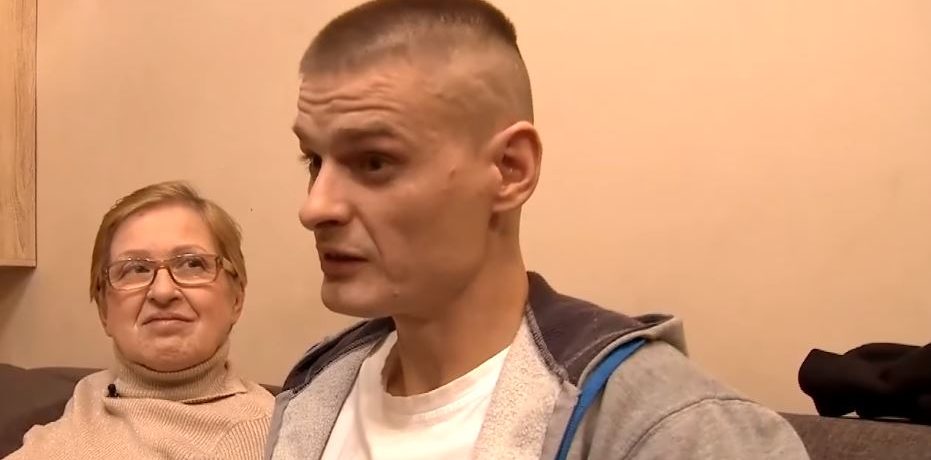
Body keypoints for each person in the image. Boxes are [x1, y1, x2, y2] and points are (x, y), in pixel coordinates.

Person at [266, 0, 810, 459]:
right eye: (314, 160)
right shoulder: (316, 393)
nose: (315, 207)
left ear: (510, 170)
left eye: (374, 162)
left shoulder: (671, 431)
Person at [7, 181, 274, 460]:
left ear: (236, 298)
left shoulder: (266, 436)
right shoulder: (90, 394)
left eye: (192, 264)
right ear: (104, 310)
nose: (163, 292)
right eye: (135, 269)